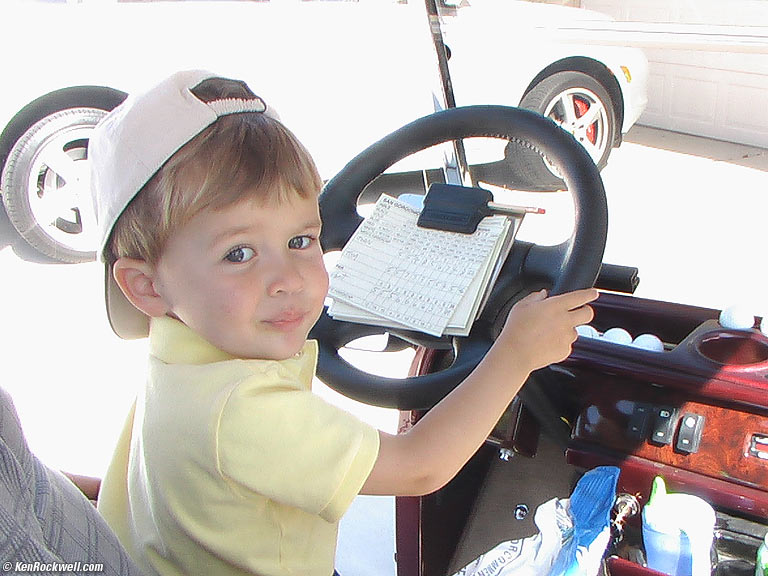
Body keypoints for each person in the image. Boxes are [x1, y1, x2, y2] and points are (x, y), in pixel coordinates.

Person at [90, 69, 597, 576]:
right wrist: (515, 354)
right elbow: (420, 467)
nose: (289, 279)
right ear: (147, 286)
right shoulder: (239, 411)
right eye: (239, 253)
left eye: (300, 241)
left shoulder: (179, 353)